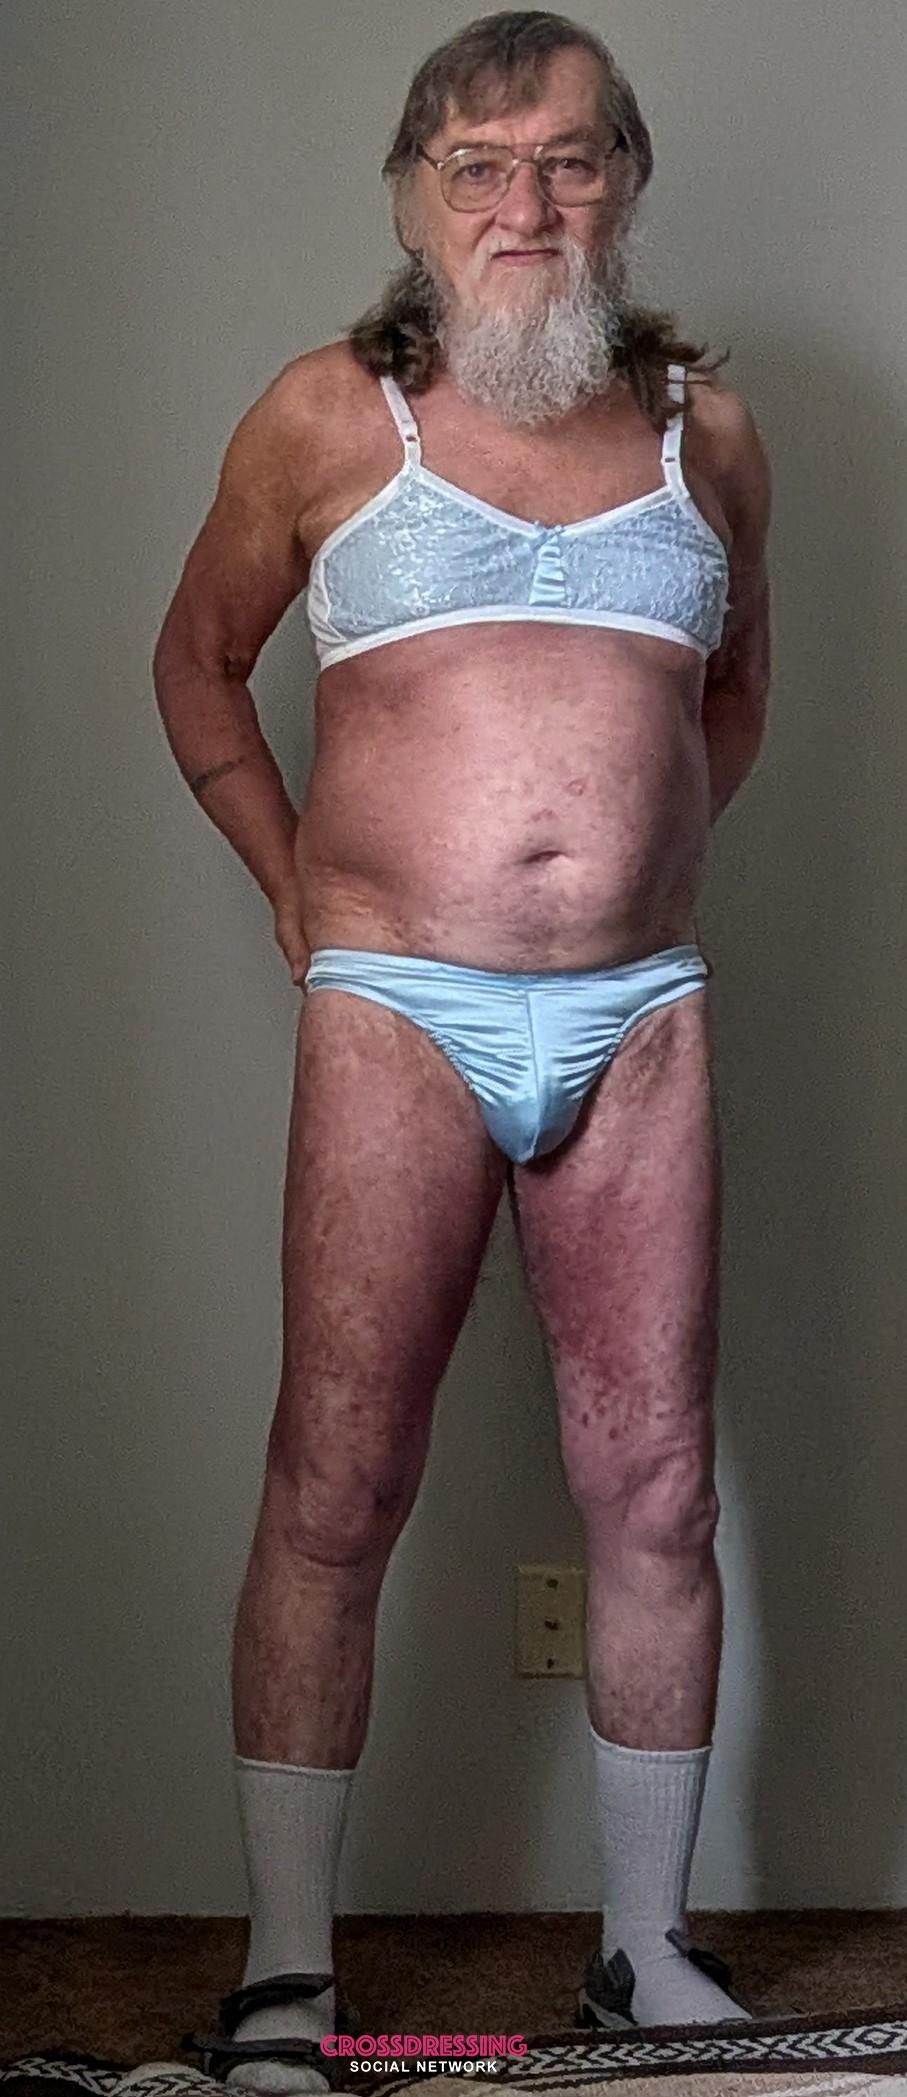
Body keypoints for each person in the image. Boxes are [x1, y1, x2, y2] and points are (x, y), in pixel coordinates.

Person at [152, 10, 772, 2089]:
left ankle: (644, 1951)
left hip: (641, 1013)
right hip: (396, 1007)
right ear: (416, 196)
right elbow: (196, 664)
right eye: (481, 165)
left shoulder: (709, 433)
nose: (527, 203)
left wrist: (613, 874)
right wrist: (296, 886)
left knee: (659, 1484)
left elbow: (732, 695)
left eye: (571, 161)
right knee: (335, 1478)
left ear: (625, 184)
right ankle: (286, 1970)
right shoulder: (328, 416)